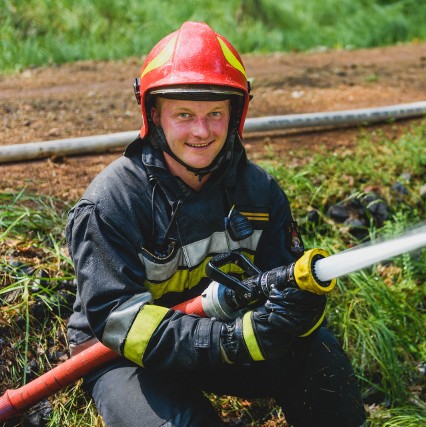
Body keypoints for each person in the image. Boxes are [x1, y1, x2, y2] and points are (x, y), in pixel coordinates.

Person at [65, 21, 366, 427]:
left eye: (214, 114)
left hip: (218, 336)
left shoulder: (259, 193)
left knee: (320, 356)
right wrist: (228, 339)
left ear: (235, 114)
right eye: (184, 115)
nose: (201, 131)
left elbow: (283, 284)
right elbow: (119, 322)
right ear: (153, 114)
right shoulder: (111, 202)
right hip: (120, 354)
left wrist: (298, 309)